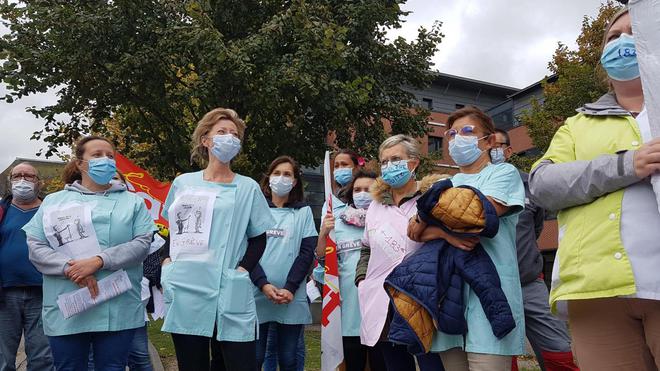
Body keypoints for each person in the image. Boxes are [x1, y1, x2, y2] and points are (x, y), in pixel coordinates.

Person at [529, 8, 660, 370]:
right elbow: (543, 184)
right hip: (596, 293)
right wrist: (627, 165)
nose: (622, 41)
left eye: (634, 32)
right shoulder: (578, 124)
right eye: (613, 37)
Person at [22, 135, 156, 371]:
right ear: (79, 163)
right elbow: (36, 246)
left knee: (113, 367)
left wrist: (98, 261)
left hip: (118, 305)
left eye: (110, 155)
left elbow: (142, 244)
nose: (105, 160)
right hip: (69, 303)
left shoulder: (132, 202)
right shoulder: (54, 202)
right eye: (96, 155)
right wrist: (71, 267)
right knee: (68, 367)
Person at [407, 107, 525, 370]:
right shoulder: (447, 181)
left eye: (468, 131)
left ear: (490, 140)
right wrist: (444, 234)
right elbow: (414, 231)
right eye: (451, 134)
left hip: (491, 294)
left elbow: (479, 213)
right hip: (450, 296)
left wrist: (428, 212)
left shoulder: (503, 174)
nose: (458, 138)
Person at [160, 108, 274, 371]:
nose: (229, 138)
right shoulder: (184, 183)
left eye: (234, 134)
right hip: (187, 285)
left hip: (230, 285)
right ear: (205, 140)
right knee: (192, 363)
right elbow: (173, 232)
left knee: (239, 363)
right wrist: (166, 263)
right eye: (221, 132)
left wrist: (242, 270)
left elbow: (259, 238)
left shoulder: (248, 187)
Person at [491, 129, 579, 371]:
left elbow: (535, 228)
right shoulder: (471, 187)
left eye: (496, 145)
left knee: (559, 349)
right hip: (490, 288)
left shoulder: (529, 184)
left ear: (508, 151)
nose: (490, 150)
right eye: (485, 144)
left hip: (530, 283)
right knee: (499, 356)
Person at [355, 135, 444, 371]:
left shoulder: (432, 198)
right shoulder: (375, 205)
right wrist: (362, 279)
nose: (388, 166)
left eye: (395, 159)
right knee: (394, 364)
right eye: (384, 162)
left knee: (431, 363)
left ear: (413, 163)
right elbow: (366, 247)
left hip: (420, 297)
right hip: (381, 297)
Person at [250, 156, 317, 371]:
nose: (281, 178)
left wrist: (289, 288)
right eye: (277, 173)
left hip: (291, 296)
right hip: (257, 293)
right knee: (256, 356)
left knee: (289, 358)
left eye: (287, 174)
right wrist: (263, 284)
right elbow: (246, 251)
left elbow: (307, 253)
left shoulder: (303, 212)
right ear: (268, 178)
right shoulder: (255, 210)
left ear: (295, 181)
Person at [313, 168, 381, 371]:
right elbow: (324, 260)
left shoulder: (387, 219)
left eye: (368, 189)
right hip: (348, 312)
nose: (362, 193)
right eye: (357, 189)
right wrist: (324, 233)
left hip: (379, 312)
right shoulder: (338, 222)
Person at [0, 162, 55, 371]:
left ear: (38, 181)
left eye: (29, 176)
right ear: (10, 180)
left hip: (44, 291)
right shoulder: (2, 211)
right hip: (5, 294)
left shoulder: (51, 211)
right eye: (17, 175)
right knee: (3, 358)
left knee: (42, 357)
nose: (22, 180)